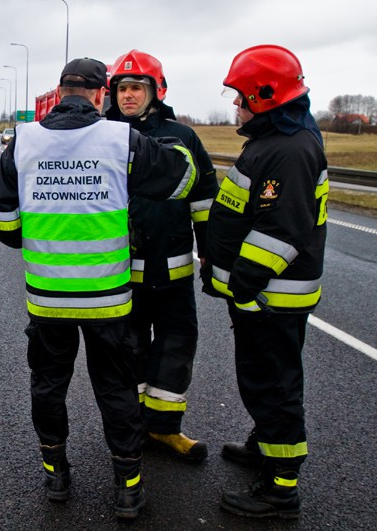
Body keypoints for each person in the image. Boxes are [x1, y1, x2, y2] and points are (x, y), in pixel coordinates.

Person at [0, 57, 197, 520]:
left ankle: (56, 475)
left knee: (48, 386)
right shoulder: (121, 139)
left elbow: (2, 222)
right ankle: (127, 488)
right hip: (108, 299)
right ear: (102, 95)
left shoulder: (24, 142)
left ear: (58, 92)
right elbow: (183, 179)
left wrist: (43, 234)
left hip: (47, 299)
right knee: (117, 390)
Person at [201, 44, 328, 519]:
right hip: (262, 294)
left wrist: (241, 282)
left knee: (273, 385)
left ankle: (280, 489)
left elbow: (281, 231)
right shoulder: (276, 141)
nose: (236, 104)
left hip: (271, 294)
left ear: (266, 95)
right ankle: (264, 443)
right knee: (262, 379)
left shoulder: (290, 150)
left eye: (241, 96)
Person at [105, 50, 219, 463]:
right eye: (122, 87)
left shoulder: (182, 136)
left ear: (157, 91)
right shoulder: (101, 135)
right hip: (120, 271)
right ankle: (132, 426)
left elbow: (205, 200)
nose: (128, 95)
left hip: (173, 270)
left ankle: (165, 428)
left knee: (177, 344)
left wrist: (209, 251)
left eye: (137, 87)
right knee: (128, 349)